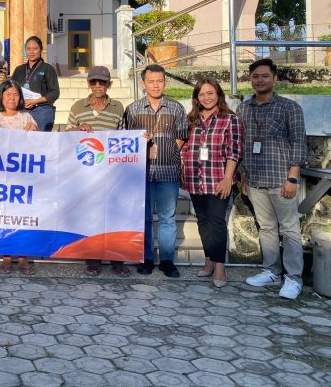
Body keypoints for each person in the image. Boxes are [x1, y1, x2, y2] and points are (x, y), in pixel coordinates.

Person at [240, 59, 307, 300]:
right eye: (255, 76)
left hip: (282, 180)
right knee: (266, 228)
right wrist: (244, 176)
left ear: (274, 78)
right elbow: (243, 144)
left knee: (289, 229)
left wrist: (293, 177)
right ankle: (271, 271)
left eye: (264, 76)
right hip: (255, 179)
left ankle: (294, 278)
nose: (260, 80)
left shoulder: (290, 108)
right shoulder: (244, 109)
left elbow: (299, 142)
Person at [122, 63, 188, 278]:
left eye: (160, 81)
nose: (156, 85)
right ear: (143, 83)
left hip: (168, 171)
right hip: (142, 173)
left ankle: (167, 260)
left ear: (165, 82)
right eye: (151, 81)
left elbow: (181, 137)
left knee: (168, 217)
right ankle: (147, 258)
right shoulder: (133, 109)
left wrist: (167, 152)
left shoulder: (176, 107)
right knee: (145, 218)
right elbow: (126, 139)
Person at [66, 65, 129, 277]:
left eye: (102, 82)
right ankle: (92, 258)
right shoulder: (77, 107)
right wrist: (77, 129)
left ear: (109, 84)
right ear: (89, 84)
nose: (97, 86)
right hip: (86, 173)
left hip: (112, 173)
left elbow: (124, 138)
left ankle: (117, 259)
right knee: (91, 216)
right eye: (94, 82)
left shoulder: (118, 107)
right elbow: (66, 137)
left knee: (115, 216)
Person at [181, 78, 242, 288]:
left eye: (210, 93)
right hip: (195, 179)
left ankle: (220, 266)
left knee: (216, 222)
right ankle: (208, 260)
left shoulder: (229, 119)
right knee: (203, 221)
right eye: (201, 94)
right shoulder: (192, 119)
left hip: (218, 180)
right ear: (196, 98)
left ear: (218, 94)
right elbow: (185, 148)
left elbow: (234, 151)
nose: (206, 98)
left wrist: (227, 178)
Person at [0, 79, 37, 274]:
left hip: (24, 178)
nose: (12, 98)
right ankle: (6, 257)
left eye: (15, 95)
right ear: (1, 97)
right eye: (8, 94)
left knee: (22, 217)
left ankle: (23, 258)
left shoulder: (27, 118)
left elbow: (39, 145)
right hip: (1, 177)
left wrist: (34, 131)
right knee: (4, 216)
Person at [10, 36, 59, 132]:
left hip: (42, 110)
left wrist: (35, 101)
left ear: (40, 49)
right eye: (28, 49)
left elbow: (55, 92)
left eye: (35, 48)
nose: (31, 52)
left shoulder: (48, 69)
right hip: (22, 110)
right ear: (25, 50)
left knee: (40, 141)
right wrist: (21, 102)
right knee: (21, 142)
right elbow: (11, 89)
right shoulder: (19, 70)